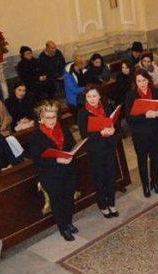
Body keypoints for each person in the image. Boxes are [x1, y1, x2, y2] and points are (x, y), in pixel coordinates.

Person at [29, 100, 78, 241]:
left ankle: (69, 222)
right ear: (41, 118)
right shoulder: (36, 137)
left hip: (68, 171)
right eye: (48, 118)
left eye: (54, 117)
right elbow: (37, 160)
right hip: (51, 176)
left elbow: (72, 145)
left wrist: (71, 154)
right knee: (57, 202)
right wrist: (56, 160)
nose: (51, 120)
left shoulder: (63, 128)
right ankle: (63, 228)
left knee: (69, 199)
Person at [77, 86, 119, 218]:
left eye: (94, 96)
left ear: (99, 96)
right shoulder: (83, 113)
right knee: (99, 178)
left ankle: (112, 203)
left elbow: (114, 123)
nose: (92, 99)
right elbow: (84, 134)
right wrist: (101, 133)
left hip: (109, 146)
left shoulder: (106, 107)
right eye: (89, 97)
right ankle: (102, 204)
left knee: (111, 176)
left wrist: (113, 130)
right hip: (95, 150)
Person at [124, 69, 158, 197]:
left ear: (148, 80)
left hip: (154, 132)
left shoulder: (156, 92)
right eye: (139, 81)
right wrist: (145, 115)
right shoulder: (131, 95)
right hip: (140, 134)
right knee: (142, 161)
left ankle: (155, 183)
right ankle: (145, 185)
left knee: (155, 159)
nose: (142, 83)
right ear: (135, 82)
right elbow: (129, 118)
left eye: (144, 80)